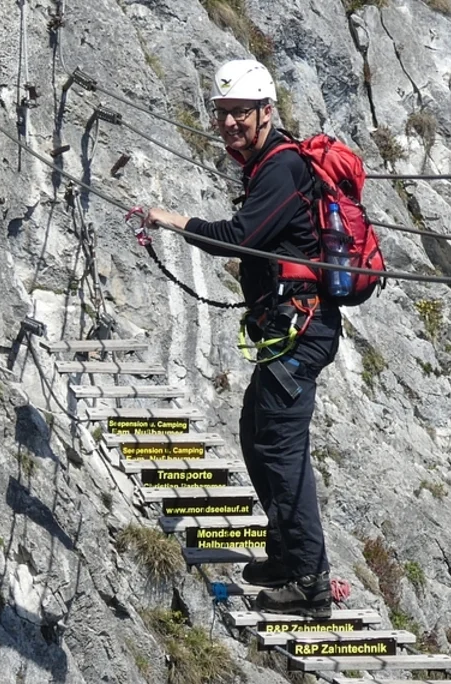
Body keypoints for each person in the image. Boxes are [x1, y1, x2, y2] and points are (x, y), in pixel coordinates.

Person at [144, 59, 339, 618]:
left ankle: (309, 583)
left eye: (239, 113)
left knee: (279, 447)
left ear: (265, 112)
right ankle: (284, 557)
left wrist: (174, 220)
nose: (229, 123)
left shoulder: (281, 167)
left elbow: (239, 237)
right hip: (290, 327)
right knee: (256, 432)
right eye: (223, 113)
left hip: (300, 329)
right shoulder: (269, 165)